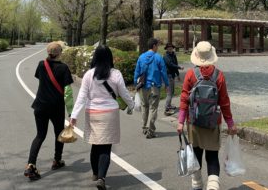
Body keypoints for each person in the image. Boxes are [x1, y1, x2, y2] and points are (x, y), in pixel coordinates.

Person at [70, 45, 134, 190]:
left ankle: (95, 173)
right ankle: (101, 177)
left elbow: (81, 96)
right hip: (109, 113)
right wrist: (132, 105)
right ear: (110, 57)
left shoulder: (89, 74)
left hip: (92, 113)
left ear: (95, 57)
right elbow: (123, 93)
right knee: (106, 146)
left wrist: (74, 115)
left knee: (95, 144)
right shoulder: (115, 74)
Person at [176, 41, 237, 190]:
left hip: (194, 122)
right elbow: (224, 102)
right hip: (213, 123)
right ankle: (213, 187)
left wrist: (180, 121)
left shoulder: (191, 74)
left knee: (196, 156)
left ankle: (197, 185)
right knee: (212, 157)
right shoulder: (219, 76)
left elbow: (184, 99)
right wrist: (230, 123)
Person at [24, 42, 74, 181]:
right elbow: (68, 92)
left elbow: (40, 78)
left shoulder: (41, 65)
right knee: (59, 134)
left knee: (40, 135)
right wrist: (71, 111)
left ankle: (31, 165)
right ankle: (57, 160)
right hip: (56, 107)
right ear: (60, 53)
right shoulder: (63, 68)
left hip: (40, 105)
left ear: (48, 53)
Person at [133, 37, 169, 139]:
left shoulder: (141, 57)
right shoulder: (158, 57)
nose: (158, 47)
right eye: (157, 45)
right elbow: (163, 72)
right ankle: (151, 130)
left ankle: (144, 127)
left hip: (143, 86)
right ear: (154, 46)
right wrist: (167, 84)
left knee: (144, 106)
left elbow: (137, 72)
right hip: (154, 87)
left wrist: (136, 84)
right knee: (153, 108)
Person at [163, 42, 183, 115]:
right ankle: (167, 108)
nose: (170, 49)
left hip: (172, 75)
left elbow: (175, 65)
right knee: (169, 93)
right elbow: (170, 64)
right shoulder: (166, 56)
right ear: (167, 48)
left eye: (171, 47)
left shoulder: (173, 55)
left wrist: (178, 75)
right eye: (169, 48)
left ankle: (169, 105)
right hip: (168, 76)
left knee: (172, 92)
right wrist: (179, 67)